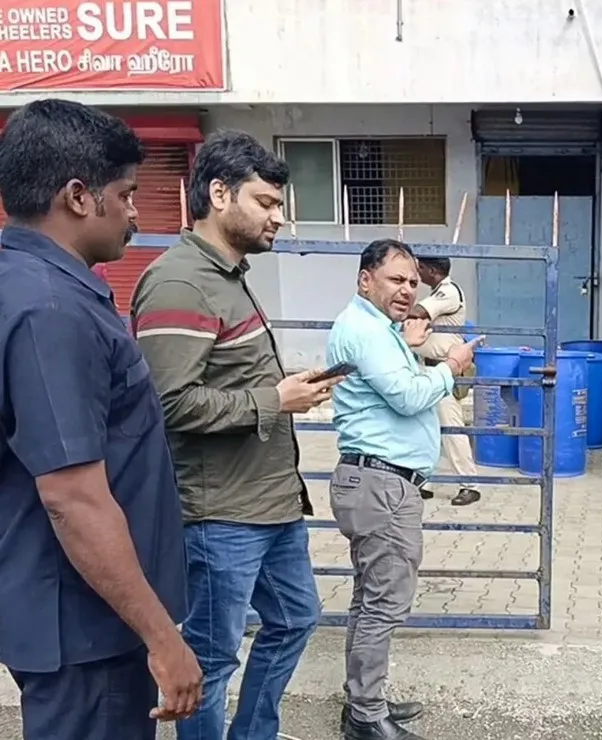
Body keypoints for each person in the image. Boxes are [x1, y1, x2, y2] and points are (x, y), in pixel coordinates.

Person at [0, 100, 201, 740]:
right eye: (127, 194)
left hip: (79, 616)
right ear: (79, 197)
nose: (136, 213)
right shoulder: (50, 310)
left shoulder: (29, 284)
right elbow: (73, 498)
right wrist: (162, 638)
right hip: (89, 632)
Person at [130, 130, 336, 739]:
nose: (278, 217)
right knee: (211, 659)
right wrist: (274, 400)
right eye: (265, 202)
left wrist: (284, 390)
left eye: (279, 204)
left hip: (270, 506)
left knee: (296, 618)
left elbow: (228, 376)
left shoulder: (227, 275)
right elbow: (168, 403)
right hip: (219, 516)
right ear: (219, 195)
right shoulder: (180, 282)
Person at [327, 239, 482, 740]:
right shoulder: (366, 331)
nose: (407, 290)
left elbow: (391, 382)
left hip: (377, 482)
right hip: (382, 486)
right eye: (395, 279)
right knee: (383, 604)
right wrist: (450, 367)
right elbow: (408, 395)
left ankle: (363, 701)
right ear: (364, 279)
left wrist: (408, 344)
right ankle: (366, 717)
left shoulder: (376, 329)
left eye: (413, 282)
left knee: (368, 600)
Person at [408, 256, 482, 506]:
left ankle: (470, 485)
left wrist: (390, 308)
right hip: (428, 370)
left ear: (432, 270)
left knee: (451, 429)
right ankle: (423, 483)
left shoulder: (448, 292)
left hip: (444, 371)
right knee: (425, 428)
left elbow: (418, 312)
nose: (417, 273)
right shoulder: (438, 291)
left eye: (420, 269)